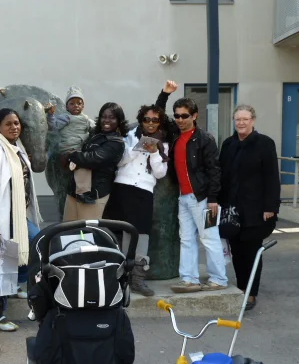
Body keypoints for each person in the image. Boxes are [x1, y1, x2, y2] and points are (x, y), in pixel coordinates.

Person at [155, 81, 228, 293]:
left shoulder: (205, 139)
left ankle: (219, 279)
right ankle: (189, 279)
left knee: (210, 238)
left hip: (203, 199)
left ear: (194, 116)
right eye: (177, 116)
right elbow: (158, 114)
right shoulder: (175, 135)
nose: (180, 120)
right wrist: (165, 93)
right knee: (186, 239)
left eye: (184, 116)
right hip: (184, 198)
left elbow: (214, 170)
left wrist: (213, 199)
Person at [0, 108, 42, 331]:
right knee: (0, 265)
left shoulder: (17, 150)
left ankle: (15, 284)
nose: (14, 127)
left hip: (19, 216)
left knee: (35, 244)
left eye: (16, 123)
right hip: (2, 218)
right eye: (8, 124)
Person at [103, 104, 170, 296]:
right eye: (147, 119)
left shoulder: (164, 143)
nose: (151, 123)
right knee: (120, 233)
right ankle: (119, 278)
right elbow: (120, 161)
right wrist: (138, 147)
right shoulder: (129, 135)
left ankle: (138, 279)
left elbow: (160, 173)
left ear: (160, 122)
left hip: (144, 191)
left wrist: (154, 152)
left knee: (141, 235)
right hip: (123, 187)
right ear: (141, 121)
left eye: (155, 120)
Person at [219, 104, 280, 310]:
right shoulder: (228, 144)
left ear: (252, 120)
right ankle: (241, 288)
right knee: (237, 252)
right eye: (238, 119)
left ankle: (251, 293)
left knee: (252, 252)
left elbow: (272, 177)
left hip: (256, 210)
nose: (241, 123)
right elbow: (222, 176)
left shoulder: (265, 144)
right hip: (233, 210)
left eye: (245, 119)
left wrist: (270, 207)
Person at [62, 102, 128, 221]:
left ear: (119, 121)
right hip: (74, 191)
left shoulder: (116, 142)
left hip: (93, 195)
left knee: (86, 230)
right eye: (104, 116)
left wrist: (72, 155)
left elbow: (93, 159)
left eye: (112, 117)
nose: (106, 120)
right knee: (67, 228)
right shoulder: (95, 135)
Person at [45, 86, 95, 204]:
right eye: (72, 103)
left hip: (80, 148)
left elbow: (95, 128)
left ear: (83, 106)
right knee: (82, 167)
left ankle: (80, 190)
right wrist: (51, 115)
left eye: (79, 103)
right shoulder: (66, 118)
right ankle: (82, 192)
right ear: (67, 107)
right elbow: (53, 126)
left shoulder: (86, 119)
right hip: (68, 149)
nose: (76, 106)